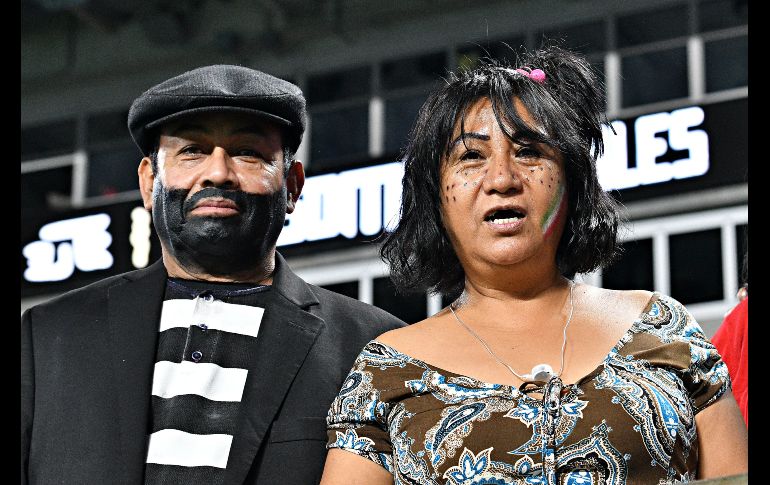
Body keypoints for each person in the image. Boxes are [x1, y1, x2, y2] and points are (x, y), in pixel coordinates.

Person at [320, 46, 748, 484]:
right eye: (471, 156)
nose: (502, 179)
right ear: (435, 197)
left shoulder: (663, 328)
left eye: (529, 151)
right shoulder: (385, 371)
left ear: (572, 181)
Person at [21, 65, 405, 484]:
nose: (218, 173)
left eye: (248, 152)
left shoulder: (374, 350)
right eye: (192, 151)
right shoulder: (49, 337)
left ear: (293, 186)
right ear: (150, 183)